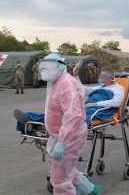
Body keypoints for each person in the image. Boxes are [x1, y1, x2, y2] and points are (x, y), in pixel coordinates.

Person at [36, 53, 102, 195]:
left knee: (60, 178)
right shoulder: (55, 82)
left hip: (69, 136)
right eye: (42, 69)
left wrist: (63, 141)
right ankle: (89, 190)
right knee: (65, 169)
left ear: (59, 67)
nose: (43, 72)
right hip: (59, 134)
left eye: (47, 69)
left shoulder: (66, 84)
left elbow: (73, 115)